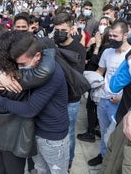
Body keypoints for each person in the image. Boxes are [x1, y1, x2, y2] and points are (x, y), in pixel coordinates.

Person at [0, 31, 70, 174]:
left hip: (52, 137)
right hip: (34, 131)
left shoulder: (52, 73)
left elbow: (30, 109)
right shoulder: (31, 63)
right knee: (40, 170)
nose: (19, 68)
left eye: (22, 64)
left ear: (37, 56)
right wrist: (0, 73)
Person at [88, 20, 131, 166]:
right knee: (104, 130)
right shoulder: (107, 51)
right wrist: (92, 83)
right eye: (110, 35)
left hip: (120, 103)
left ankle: (113, 162)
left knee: (116, 135)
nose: (111, 38)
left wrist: (121, 97)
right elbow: (100, 72)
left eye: (115, 36)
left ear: (125, 35)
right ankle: (102, 155)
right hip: (103, 99)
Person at [53, 11, 86, 170]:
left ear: (71, 28)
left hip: (71, 99)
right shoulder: (54, 44)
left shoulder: (78, 48)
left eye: (63, 30)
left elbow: (76, 76)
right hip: (54, 97)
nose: (60, 33)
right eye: (57, 30)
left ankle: (68, 160)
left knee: (69, 133)